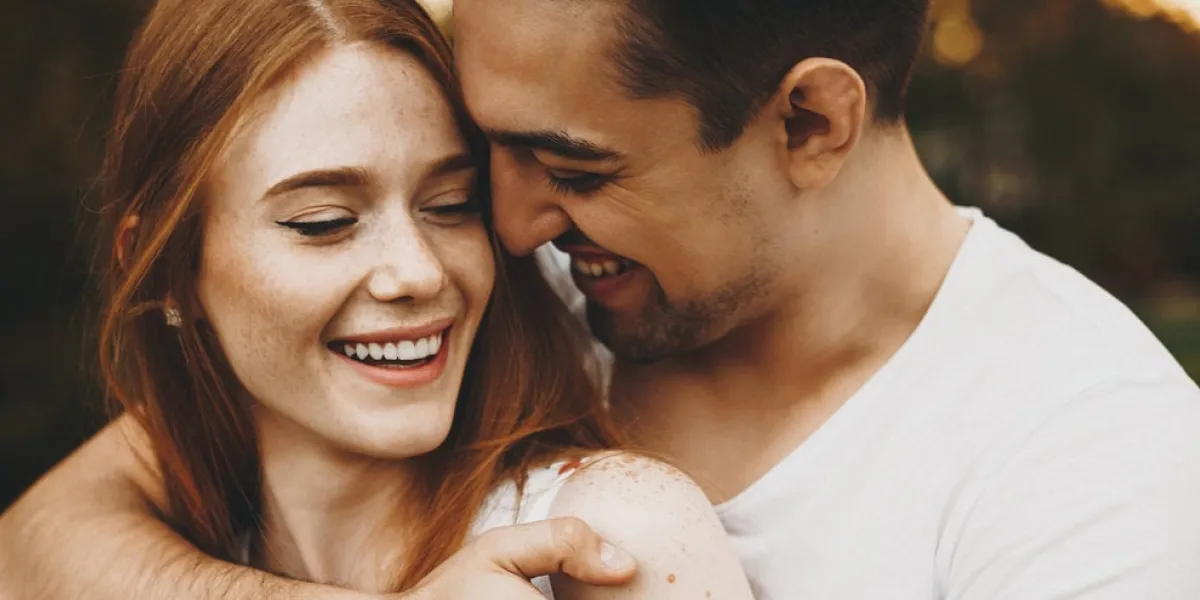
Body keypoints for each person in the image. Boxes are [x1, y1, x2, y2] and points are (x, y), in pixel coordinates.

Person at [4, 0, 1200, 598]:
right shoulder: (510, 295)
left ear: (809, 122)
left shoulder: (1091, 459)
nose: (508, 231)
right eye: (487, 165)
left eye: (575, 169)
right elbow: (54, 530)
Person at [0, 0, 756, 599]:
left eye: (452, 204)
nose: (419, 273)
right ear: (168, 269)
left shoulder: (605, 534)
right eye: (324, 223)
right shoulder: (162, 544)